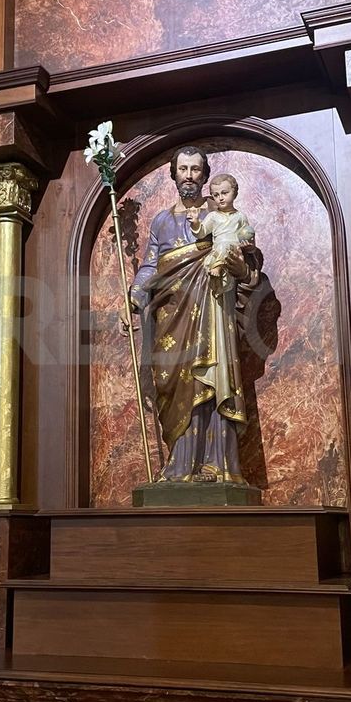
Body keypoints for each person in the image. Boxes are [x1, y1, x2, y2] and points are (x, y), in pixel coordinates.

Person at [129, 147, 261, 484]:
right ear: (173, 174)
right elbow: (150, 265)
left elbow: (249, 260)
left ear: (205, 174)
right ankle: (180, 467)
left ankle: (216, 467)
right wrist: (135, 295)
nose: (189, 175)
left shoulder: (219, 211)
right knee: (175, 384)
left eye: (196, 170)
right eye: (183, 169)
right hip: (172, 313)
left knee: (211, 381)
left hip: (214, 307)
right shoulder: (161, 220)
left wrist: (240, 267)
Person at [185, 173, 256, 278]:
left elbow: (247, 234)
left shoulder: (240, 216)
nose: (220, 198)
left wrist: (249, 247)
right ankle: (217, 267)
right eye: (216, 195)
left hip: (234, 253)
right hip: (218, 250)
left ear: (235, 193)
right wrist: (195, 223)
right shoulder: (213, 216)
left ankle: (218, 267)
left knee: (227, 246)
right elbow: (201, 233)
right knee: (223, 245)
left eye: (224, 193)